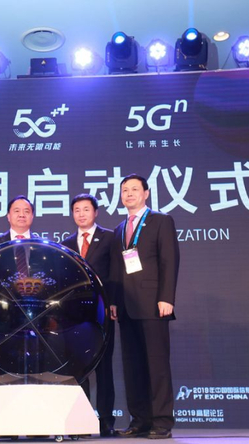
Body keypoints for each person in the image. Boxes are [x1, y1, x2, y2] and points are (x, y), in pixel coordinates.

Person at [109, 174, 180, 440]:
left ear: (146, 193)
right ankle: (139, 420)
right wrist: (114, 301)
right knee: (133, 366)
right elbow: (117, 268)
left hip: (153, 304)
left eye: (134, 189)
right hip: (127, 307)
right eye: (124, 190)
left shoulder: (161, 220)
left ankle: (162, 421)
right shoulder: (119, 228)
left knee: (157, 365)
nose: (129, 194)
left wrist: (166, 297)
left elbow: (169, 261)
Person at [61, 194, 116, 437]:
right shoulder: (66, 243)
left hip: (102, 312)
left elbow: (116, 274)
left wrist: (113, 303)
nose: (81, 214)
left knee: (104, 368)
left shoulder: (110, 238)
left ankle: (106, 420)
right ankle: (81, 420)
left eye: (86, 209)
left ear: (95, 212)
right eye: (77, 210)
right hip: (74, 316)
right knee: (78, 367)